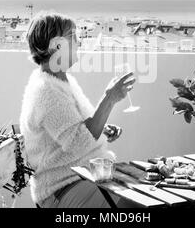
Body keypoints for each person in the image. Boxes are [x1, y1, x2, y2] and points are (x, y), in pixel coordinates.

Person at [19, 12, 136, 208]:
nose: (79, 43)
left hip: (85, 176)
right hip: (62, 188)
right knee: (135, 205)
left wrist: (102, 129)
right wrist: (109, 99)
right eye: (73, 37)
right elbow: (80, 142)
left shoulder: (62, 81)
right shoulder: (46, 91)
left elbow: (79, 129)